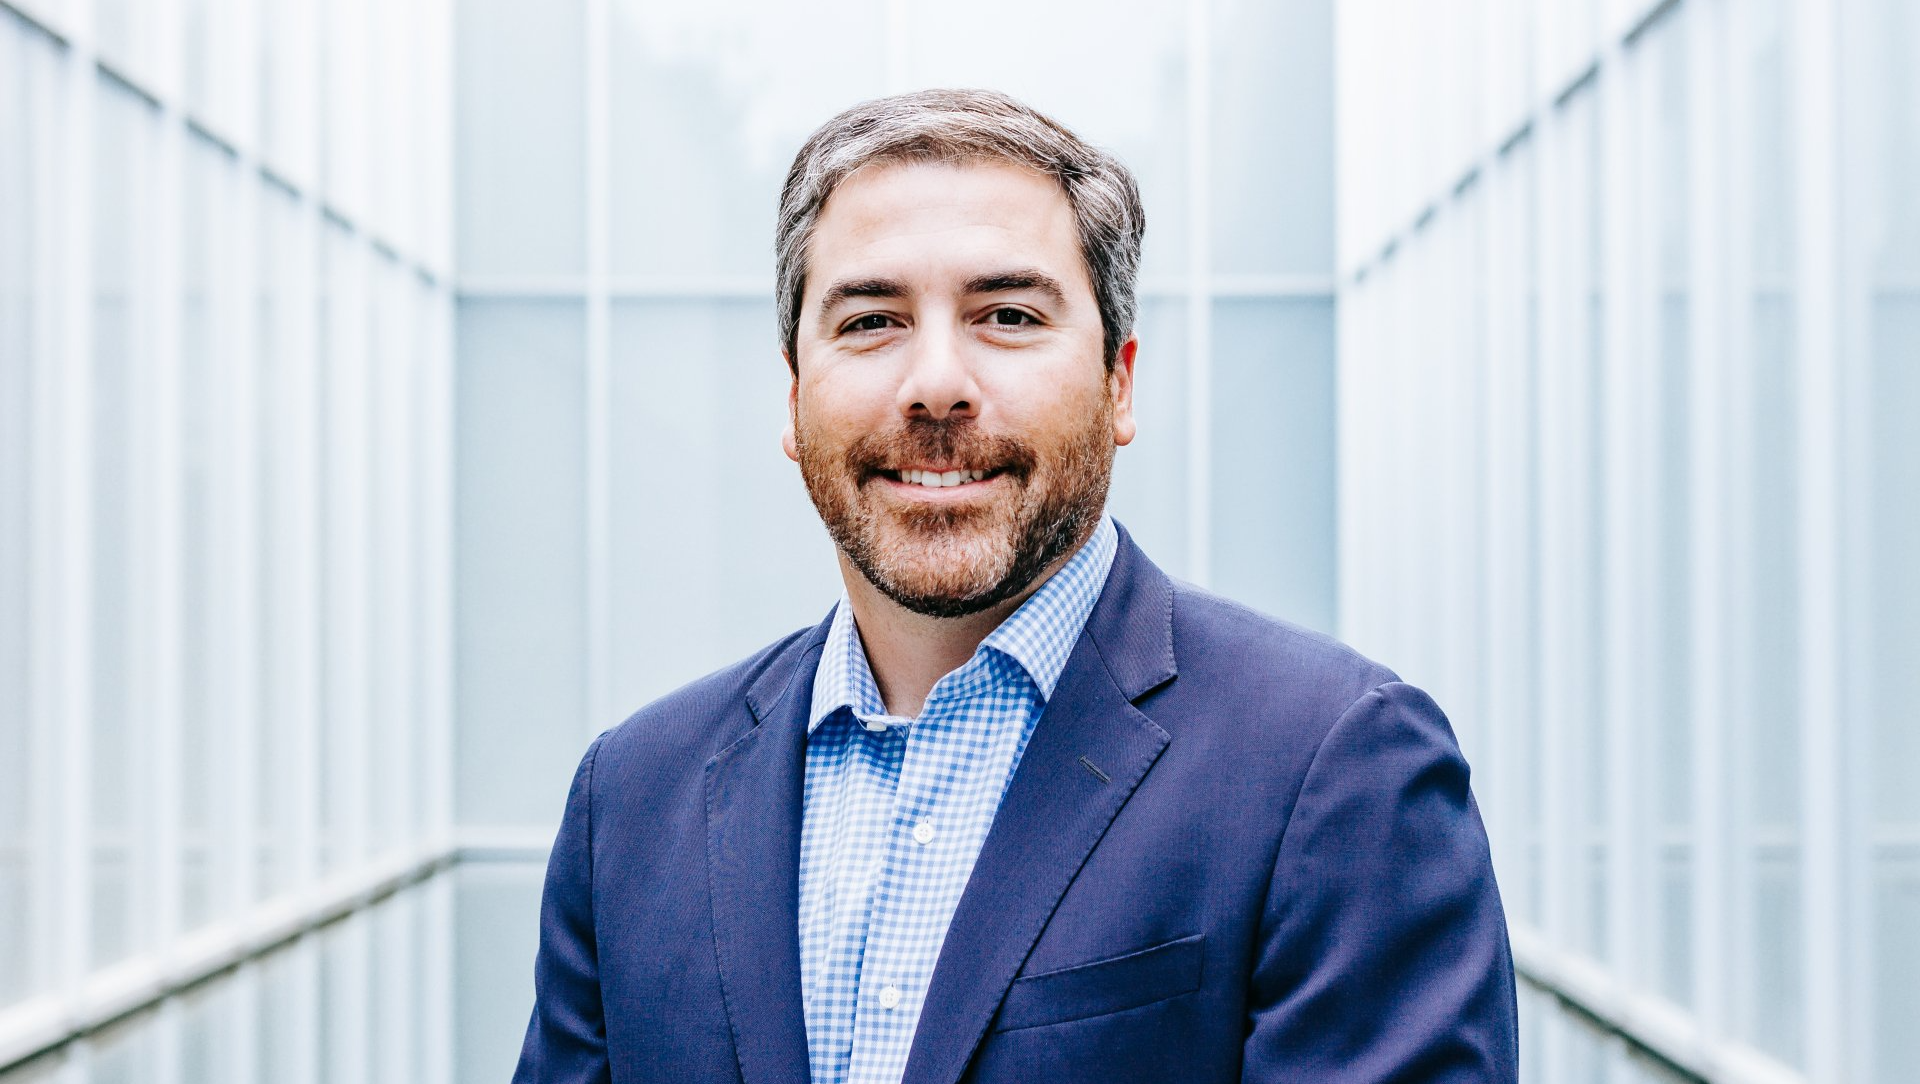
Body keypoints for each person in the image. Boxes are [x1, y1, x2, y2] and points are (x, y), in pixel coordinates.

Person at [512, 88, 1518, 1084]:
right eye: (871, 320)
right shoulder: (633, 797)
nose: (935, 382)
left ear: (1120, 381)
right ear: (792, 394)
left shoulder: (1338, 768)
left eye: (1007, 314)